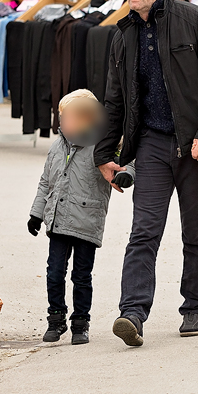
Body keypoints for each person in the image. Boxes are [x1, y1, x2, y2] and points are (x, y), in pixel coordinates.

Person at [95, 0, 198, 347]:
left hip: (197, 146)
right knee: (143, 231)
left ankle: (194, 308)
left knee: (196, 232)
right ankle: (132, 314)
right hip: (153, 145)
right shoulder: (123, 33)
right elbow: (115, 99)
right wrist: (106, 153)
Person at [29, 90, 134, 345]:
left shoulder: (102, 146)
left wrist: (127, 175)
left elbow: (128, 160)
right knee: (54, 273)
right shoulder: (57, 147)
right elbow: (46, 182)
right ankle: (55, 319)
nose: (61, 122)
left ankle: (80, 323)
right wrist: (36, 213)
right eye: (61, 117)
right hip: (57, 220)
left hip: (87, 222)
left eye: (66, 118)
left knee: (81, 275)